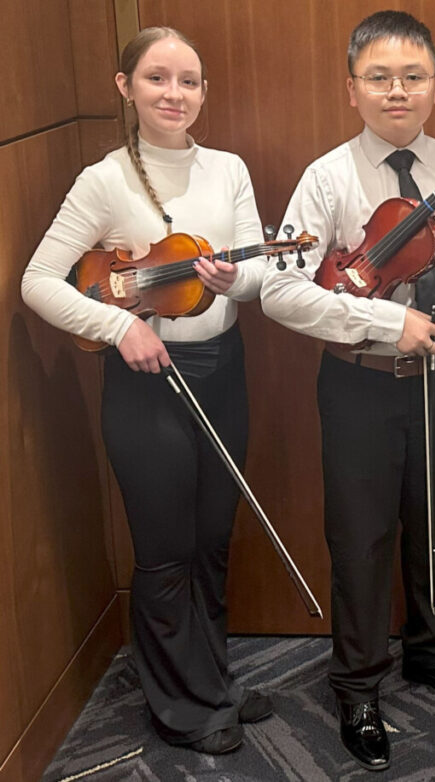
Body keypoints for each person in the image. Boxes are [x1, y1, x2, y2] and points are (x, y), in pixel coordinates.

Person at [260, 10, 435, 773]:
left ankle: (432, 655)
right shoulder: (327, 177)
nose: (395, 91)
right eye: (379, 77)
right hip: (361, 384)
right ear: (352, 89)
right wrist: (377, 319)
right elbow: (278, 290)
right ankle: (359, 684)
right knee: (361, 539)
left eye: (411, 77)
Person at [21, 28, 271, 754]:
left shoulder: (228, 168)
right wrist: (117, 327)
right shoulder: (103, 180)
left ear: (203, 92)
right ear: (124, 86)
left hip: (224, 372)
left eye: (189, 81)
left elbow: (256, 272)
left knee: (213, 540)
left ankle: (211, 680)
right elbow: (38, 282)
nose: (175, 94)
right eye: (157, 78)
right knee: (165, 551)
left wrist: (237, 280)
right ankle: (180, 706)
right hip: (145, 386)